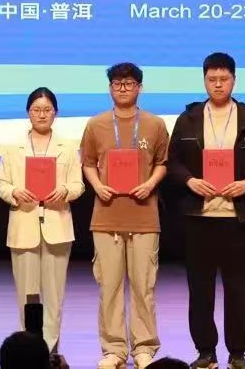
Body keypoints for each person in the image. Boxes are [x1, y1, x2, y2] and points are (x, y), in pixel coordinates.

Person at [166, 52, 245, 369]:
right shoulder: (188, 118)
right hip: (198, 217)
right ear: (204, 80)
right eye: (212, 79)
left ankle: (237, 353)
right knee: (200, 290)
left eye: (223, 79)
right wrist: (190, 180)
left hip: (238, 219)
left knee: (238, 290)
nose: (217, 84)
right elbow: (173, 161)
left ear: (234, 80)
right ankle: (205, 351)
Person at [81, 62, 170, 369]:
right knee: (109, 287)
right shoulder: (96, 124)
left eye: (129, 83)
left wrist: (150, 184)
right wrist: (97, 186)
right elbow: (88, 163)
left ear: (139, 88)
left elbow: (162, 163)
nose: (123, 88)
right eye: (117, 84)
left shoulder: (155, 124)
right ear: (110, 88)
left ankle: (144, 347)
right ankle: (114, 349)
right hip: (106, 216)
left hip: (144, 216)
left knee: (144, 287)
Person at [0, 88, 84, 363]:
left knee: (54, 295)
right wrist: (14, 192)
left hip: (57, 225)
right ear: (28, 113)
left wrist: (65, 191)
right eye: (36, 110)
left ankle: (51, 350)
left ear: (55, 113)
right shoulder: (13, 149)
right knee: (27, 294)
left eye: (47, 110)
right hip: (24, 225)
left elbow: (78, 184)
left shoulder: (67, 147)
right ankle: (29, 351)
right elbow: (2, 184)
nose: (42, 115)